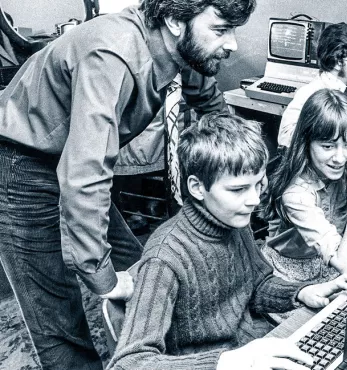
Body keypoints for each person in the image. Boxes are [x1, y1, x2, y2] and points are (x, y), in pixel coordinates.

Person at [0, 0, 254, 368]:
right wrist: (100, 278)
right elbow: (86, 173)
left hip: (65, 157)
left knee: (143, 270)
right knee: (56, 309)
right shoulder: (113, 52)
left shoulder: (185, 50)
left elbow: (210, 103)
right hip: (20, 160)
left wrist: (239, 166)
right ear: (174, 20)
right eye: (220, 29)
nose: (232, 43)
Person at [107, 112, 347, 369]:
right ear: (197, 187)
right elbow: (129, 362)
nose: (254, 200)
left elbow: (257, 285)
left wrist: (302, 292)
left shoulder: (233, 221)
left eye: (258, 184)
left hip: (249, 348)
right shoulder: (165, 258)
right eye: (238, 189)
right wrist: (226, 362)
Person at [261, 89, 347, 291]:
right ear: (307, 142)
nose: (340, 158)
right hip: (292, 278)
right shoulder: (295, 193)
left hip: (338, 265)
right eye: (328, 146)